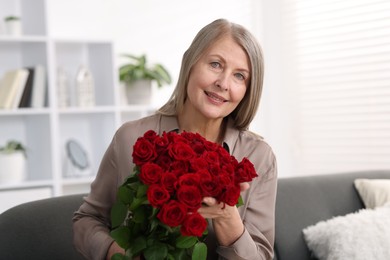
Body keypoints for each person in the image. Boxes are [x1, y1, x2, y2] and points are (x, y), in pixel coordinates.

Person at [73, 18, 277, 260]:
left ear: (247, 91)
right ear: (190, 63)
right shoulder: (131, 138)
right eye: (215, 64)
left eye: (239, 76)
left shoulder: (258, 158)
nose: (223, 83)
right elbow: (87, 219)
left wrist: (227, 219)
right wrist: (113, 252)